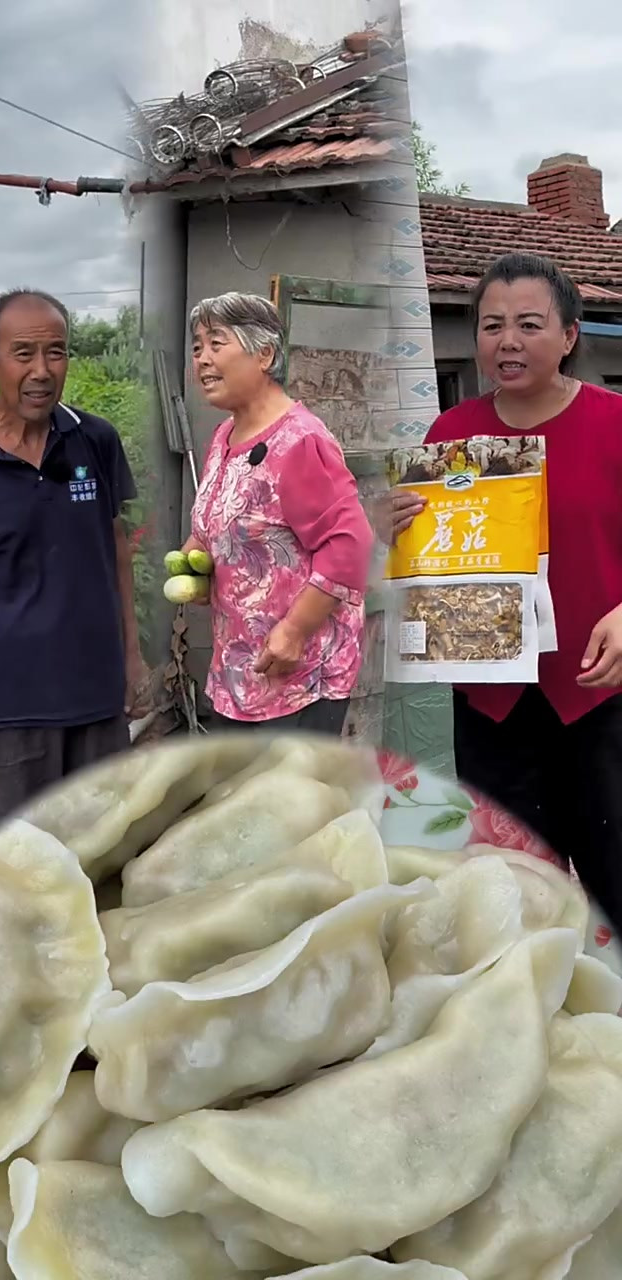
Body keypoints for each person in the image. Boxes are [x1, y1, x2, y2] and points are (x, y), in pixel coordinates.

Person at [390, 251, 622, 928]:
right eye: (492, 326)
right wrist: (399, 526)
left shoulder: (613, 424)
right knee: (511, 880)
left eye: (528, 324)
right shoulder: (451, 438)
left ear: (570, 335)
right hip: (491, 698)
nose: (508, 342)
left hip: (596, 693)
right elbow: (433, 562)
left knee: (613, 863)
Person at [0, 288, 151, 845]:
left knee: (104, 854)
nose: (42, 371)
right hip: (5, 709)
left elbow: (114, 548)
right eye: (23, 353)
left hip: (95, 699)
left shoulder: (95, 441)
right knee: (14, 871)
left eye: (57, 352)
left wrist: (132, 659)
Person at [183, 291, 373, 735]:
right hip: (241, 670)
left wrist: (295, 629)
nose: (203, 360)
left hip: (299, 676)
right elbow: (221, 522)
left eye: (217, 343)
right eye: (197, 347)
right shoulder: (225, 435)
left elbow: (350, 546)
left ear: (264, 353)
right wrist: (199, 558)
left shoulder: (300, 441)